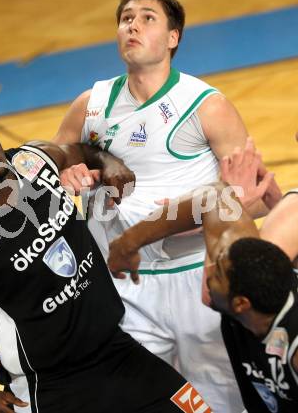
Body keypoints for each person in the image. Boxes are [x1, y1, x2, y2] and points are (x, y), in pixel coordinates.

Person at [52, 0, 273, 410]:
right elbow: (43, 172)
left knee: (223, 404)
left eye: (147, 18)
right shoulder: (90, 105)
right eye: (125, 18)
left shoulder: (206, 105)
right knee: (138, 402)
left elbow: (259, 199)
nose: (132, 25)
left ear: (173, 37)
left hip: (200, 284)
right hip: (122, 286)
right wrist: (67, 171)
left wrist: (183, 218)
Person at [0, 113, 211, 413]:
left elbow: (83, 150)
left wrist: (108, 161)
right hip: (52, 386)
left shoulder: (34, 160)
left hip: (116, 350)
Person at [107, 138, 298, 412]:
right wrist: (129, 242)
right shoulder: (242, 269)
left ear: (240, 303)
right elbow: (213, 197)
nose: (207, 272)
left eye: (215, 274)